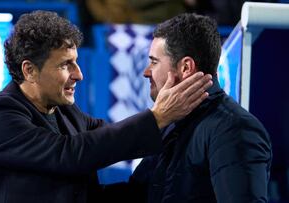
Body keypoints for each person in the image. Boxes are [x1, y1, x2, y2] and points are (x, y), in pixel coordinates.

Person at [0, 11, 213, 203]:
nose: (79, 75)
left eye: (76, 63)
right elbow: (70, 154)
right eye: (65, 65)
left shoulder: (67, 114)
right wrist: (158, 116)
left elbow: (111, 141)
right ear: (29, 70)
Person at [100, 13, 272, 203]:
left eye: (154, 62)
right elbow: (138, 194)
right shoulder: (170, 124)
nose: (146, 72)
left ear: (186, 67)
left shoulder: (234, 129)